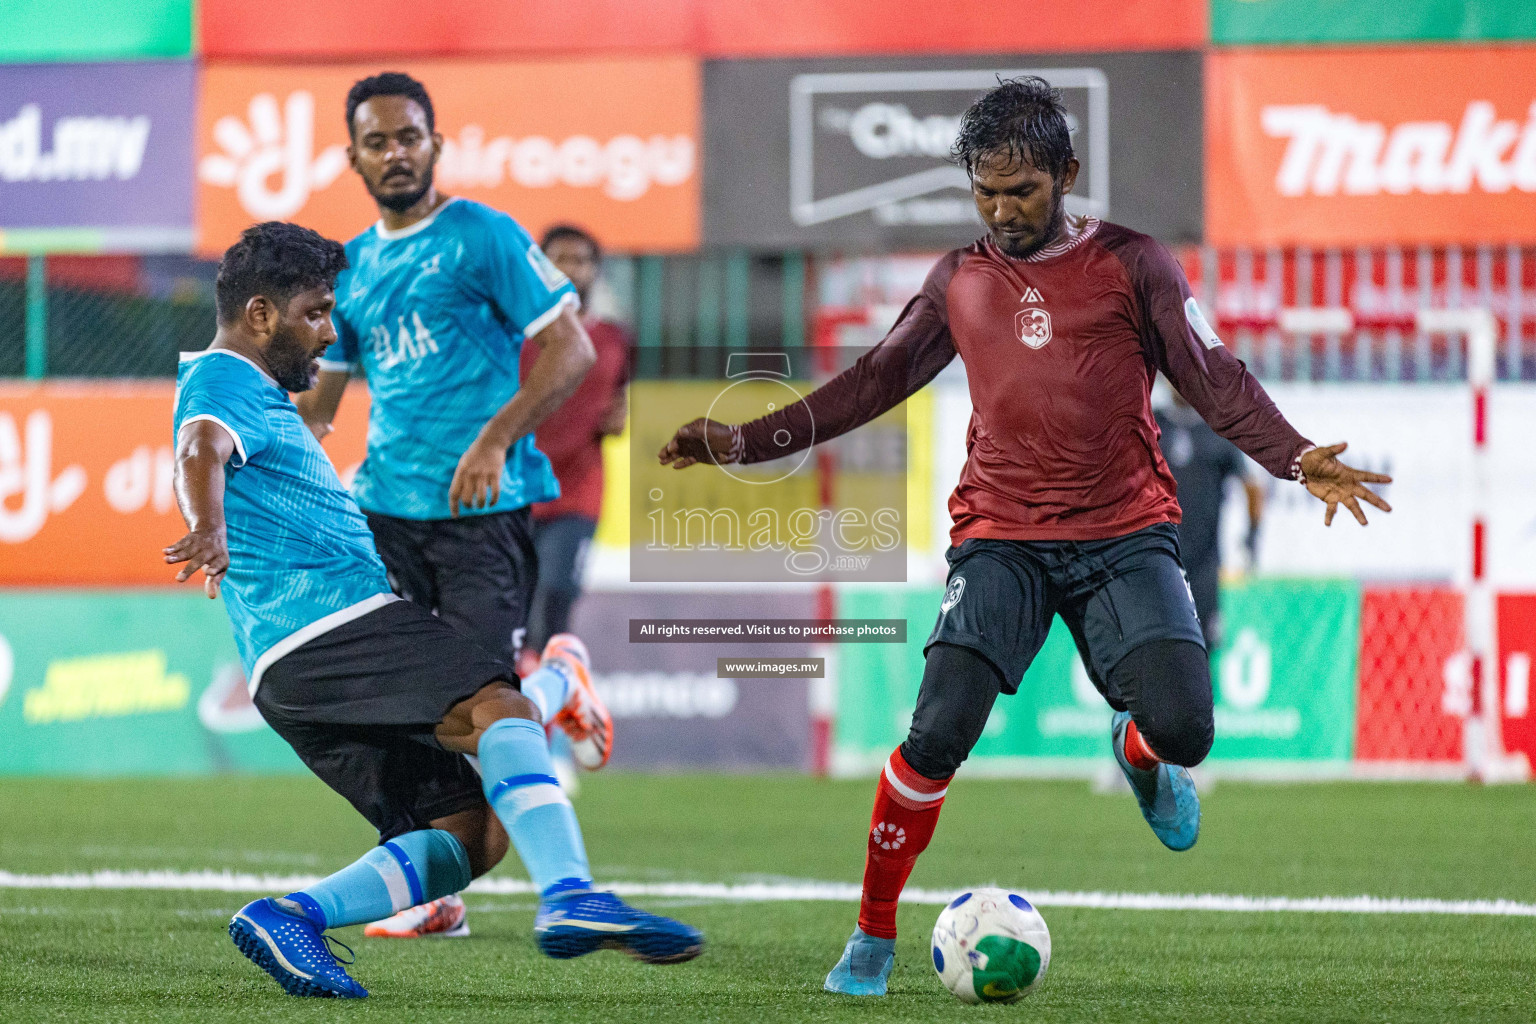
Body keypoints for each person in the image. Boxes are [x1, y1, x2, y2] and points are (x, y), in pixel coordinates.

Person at [656, 77, 1390, 997]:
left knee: (1187, 729)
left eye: (1024, 192)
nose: (1003, 212)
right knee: (936, 733)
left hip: (1125, 532)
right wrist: (741, 442)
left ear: (1067, 175)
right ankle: (872, 936)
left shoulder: (1134, 263)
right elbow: (868, 384)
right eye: (986, 193)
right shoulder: (959, 280)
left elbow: (1213, 375)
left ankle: (1138, 751)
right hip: (1000, 535)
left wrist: (1292, 458)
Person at [168, 221, 701, 1000]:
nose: (327, 332)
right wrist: (206, 526)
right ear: (258, 315)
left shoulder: (262, 396)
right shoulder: (222, 380)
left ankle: (292, 917)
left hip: (290, 671)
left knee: (470, 833)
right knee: (500, 706)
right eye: (316, 313)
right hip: (333, 630)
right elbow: (200, 448)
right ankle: (572, 893)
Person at [295, 73, 614, 938]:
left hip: (480, 515)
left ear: (435, 144)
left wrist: (495, 439)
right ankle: (433, 891)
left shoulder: (481, 236)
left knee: (483, 712)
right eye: (377, 141)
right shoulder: (350, 269)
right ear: (353, 155)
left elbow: (570, 347)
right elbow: (324, 402)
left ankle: (551, 686)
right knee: (410, 711)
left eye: (409, 137)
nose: (395, 153)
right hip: (385, 516)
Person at [517, 225, 631, 675]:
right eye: (558, 258)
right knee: (513, 608)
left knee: (557, 592)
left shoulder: (616, 339)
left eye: (580, 260)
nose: (569, 268)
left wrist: (620, 419)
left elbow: (620, 404)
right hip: (517, 489)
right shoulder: (515, 336)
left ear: (595, 272)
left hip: (578, 491)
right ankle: (524, 712)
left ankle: (553, 702)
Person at [1155, 387, 1266, 651]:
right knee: (1154, 650)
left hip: (1203, 567)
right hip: (1156, 561)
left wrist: (1251, 537)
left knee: (1200, 651)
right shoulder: (1151, 424)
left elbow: (1252, 488)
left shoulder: (1216, 431)